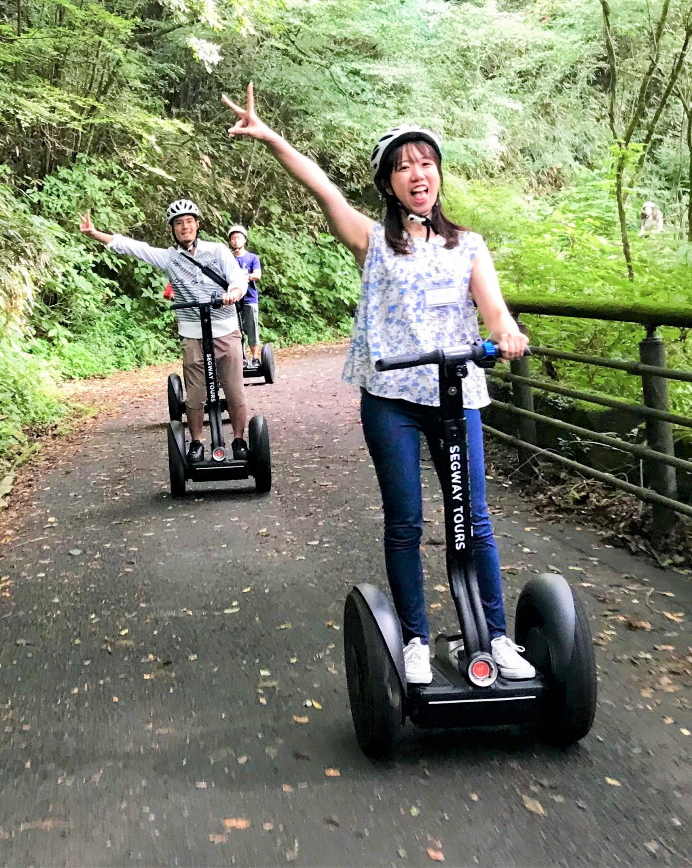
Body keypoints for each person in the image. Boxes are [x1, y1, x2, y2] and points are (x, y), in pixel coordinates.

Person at [223, 84, 535, 684]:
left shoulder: (467, 245)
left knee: (474, 517)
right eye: (403, 167)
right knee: (406, 521)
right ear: (389, 183)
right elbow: (324, 189)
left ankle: (496, 637)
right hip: (391, 398)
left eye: (425, 163)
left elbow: (494, 313)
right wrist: (271, 137)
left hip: (455, 395)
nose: (417, 173)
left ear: (437, 173)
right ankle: (416, 638)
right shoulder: (373, 242)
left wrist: (509, 334)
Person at [78, 202, 251, 463]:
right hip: (193, 334)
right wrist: (95, 234)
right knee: (194, 395)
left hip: (225, 330)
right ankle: (195, 443)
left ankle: (239, 439)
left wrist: (234, 293)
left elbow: (238, 278)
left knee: (235, 390)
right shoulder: (170, 258)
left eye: (189, 221)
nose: (185, 227)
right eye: (179, 223)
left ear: (197, 225)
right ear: (172, 229)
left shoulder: (217, 251)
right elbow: (135, 248)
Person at [227, 225, 263, 362]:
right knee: (235, 330)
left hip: (249, 298)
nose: (235, 241)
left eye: (238, 238)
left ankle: (255, 357)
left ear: (244, 240)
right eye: (233, 238)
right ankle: (241, 357)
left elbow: (257, 275)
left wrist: (244, 276)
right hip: (233, 300)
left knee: (252, 327)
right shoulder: (228, 259)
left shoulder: (252, 258)